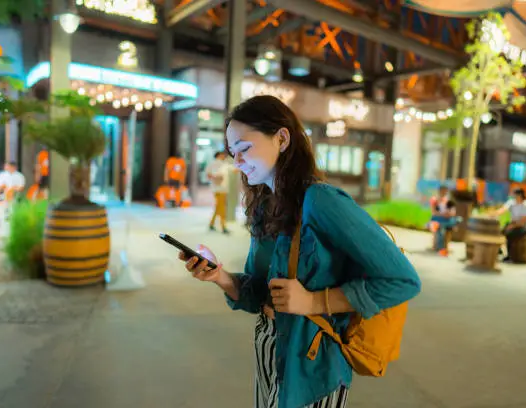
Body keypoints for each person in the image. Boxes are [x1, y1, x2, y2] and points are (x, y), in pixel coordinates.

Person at [177, 95, 421, 408]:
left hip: (313, 364)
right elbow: (260, 294)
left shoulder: (321, 201)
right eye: (232, 153)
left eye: (244, 148)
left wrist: (314, 301)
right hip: (271, 349)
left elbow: (403, 280)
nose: (236, 162)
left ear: (281, 138)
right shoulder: (265, 207)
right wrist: (220, 277)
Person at [491, 187, 526, 261]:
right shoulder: (512, 202)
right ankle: (499, 249)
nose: (514, 197)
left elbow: (523, 222)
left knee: (510, 234)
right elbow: (503, 210)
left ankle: (510, 255)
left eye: (515, 195)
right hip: (513, 224)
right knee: (500, 231)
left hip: (524, 227)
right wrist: (493, 214)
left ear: (520, 195)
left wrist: (512, 226)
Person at [428, 185, 461, 256]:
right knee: (438, 226)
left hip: (447, 220)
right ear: (439, 191)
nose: (443, 192)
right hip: (438, 220)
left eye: (444, 191)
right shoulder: (435, 200)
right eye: (442, 191)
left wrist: (448, 214)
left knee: (441, 226)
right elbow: (433, 212)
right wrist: (443, 214)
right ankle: (441, 247)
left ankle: (441, 247)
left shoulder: (449, 201)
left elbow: (453, 212)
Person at [205, 151, 233, 234]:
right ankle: (223, 226)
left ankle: (211, 223)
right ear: (219, 155)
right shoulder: (214, 163)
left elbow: (234, 169)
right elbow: (209, 175)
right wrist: (216, 177)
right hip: (218, 189)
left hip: (222, 189)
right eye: (222, 154)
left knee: (219, 207)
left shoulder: (224, 164)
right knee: (222, 208)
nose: (224, 156)